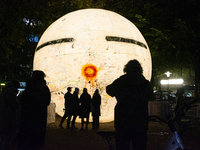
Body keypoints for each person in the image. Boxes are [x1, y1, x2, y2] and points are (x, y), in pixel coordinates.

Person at [106, 59, 153, 150]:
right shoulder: (145, 83)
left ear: (126, 69)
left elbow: (109, 90)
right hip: (140, 121)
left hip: (123, 120)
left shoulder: (121, 81)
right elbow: (150, 96)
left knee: (122, 146)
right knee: (140, 146)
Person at [18, 70, 51, 150]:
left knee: (27, 140)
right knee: (36, 140)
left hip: (27, 117)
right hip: (39, 118)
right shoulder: (43, 89)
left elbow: (22, 101)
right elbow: (47, 101)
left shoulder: (29, 88)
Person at [0, 80, 20, 150]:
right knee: (7, 135)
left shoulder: (5, 90)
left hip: (3, 115)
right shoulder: (10, 92)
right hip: (8, 116)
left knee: (3, 135)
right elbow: (15, 105)